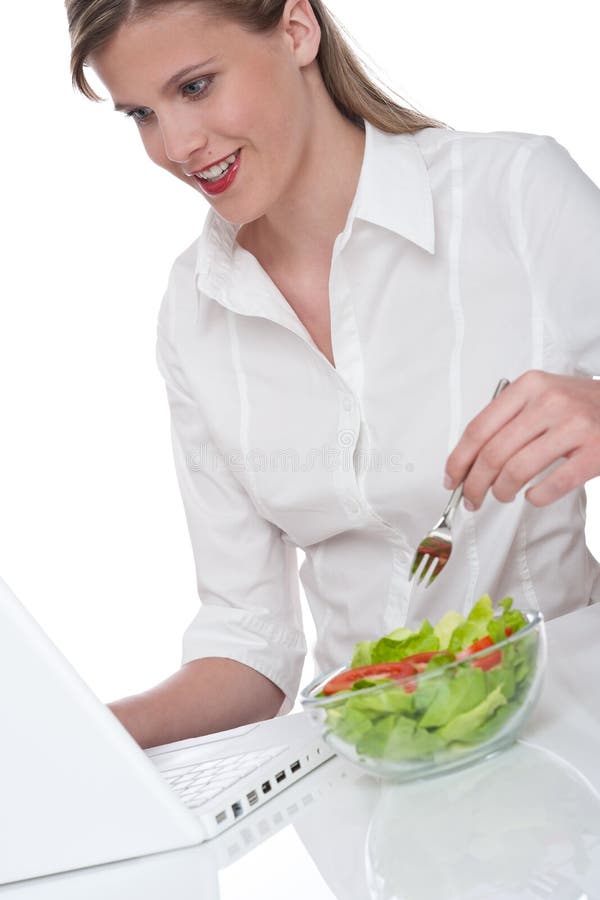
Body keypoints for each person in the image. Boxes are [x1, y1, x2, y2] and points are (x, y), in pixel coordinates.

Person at [64, 0, 600, 750]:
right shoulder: (193, 311)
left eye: (195, 87)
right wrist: (70, 742)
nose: (179, 145)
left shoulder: (510, 193)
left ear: (296, 29)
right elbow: (250, 645)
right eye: (141, 115)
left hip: (573, 736)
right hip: (371, 783)